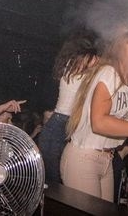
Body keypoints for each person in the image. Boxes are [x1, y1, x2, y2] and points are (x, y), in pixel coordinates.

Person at [60, 26, 128, 202]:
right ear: (126, 45)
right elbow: (99, 122)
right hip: (84, 157)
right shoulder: (108, 73)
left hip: (107, 161)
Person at [37, 27, 100, 185]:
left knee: (56, 182)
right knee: (56, 183)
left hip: (60, 124)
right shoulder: (78, 66)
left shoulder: (69, 66)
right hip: (60, 125)